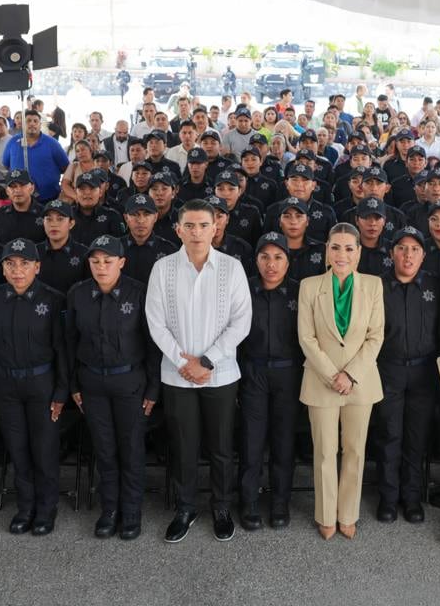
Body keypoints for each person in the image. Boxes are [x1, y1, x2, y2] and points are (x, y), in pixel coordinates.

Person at [145, 200, 253, 543]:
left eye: (203, 225)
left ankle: (221, 506)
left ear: (215, 228)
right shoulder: (162, 268)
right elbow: (155, 322)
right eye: (189, 226)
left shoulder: (231, 268)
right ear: (178, 229)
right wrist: (183, 362)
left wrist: (206, 361)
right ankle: (186, 507)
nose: (196, 232)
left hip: (219, 374)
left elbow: (242, 321)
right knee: (183, 444)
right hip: (177, 374)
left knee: (221, 446)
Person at [64, 235, 160, 539]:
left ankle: (131, 511)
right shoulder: (78, 294)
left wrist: (153, 389)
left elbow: (152, 344)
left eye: (108, 261)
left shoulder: (139, 293)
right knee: (104, 449)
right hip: (92, 382)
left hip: (130, 382)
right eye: (95, 261)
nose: (101, 267)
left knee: (130, 448)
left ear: (122, 262)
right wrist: (74, 384)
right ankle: (110, 510)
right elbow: (68, 342)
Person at [296, 223, 384, 540]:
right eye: (336, 247)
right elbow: (306, 337)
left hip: (360, 382)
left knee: (355, 450)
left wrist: (350, 374)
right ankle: (325, 514)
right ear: (327, 252)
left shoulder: (373, 286)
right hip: (322, 380)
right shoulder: (309, 286)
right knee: (324, 451)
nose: (342, 254)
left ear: (359, 252)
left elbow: (375, 337)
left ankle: (347, 513)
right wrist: (333, 374)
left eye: (349, 248)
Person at [0, 239, 69, 536]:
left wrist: (60, 392)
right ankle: (26, 506)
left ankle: (46, 508)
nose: (18, 270)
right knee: (17, 449)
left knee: (43, 449)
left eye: (24, 264)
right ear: (2, 269)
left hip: (41, 383)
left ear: (37, 267)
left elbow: (62, 350)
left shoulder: (53, 299)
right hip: (5, 384)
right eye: (10, 264)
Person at [235, 233, 304, 531]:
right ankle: (249, 502)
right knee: (251, 440)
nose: (271, 264)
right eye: (265, 257)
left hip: (288, 374)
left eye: (278, 258)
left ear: (288, 262)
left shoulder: (300, 292)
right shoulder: (244, 290)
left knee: (283, 442)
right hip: (253, 372)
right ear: (256, 260)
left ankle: (280, 502)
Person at [372, 226, 440, 525]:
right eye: (401, 248)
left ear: (423, 255)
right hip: (389, 369)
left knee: (416, 437)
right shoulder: (377, 288)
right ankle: (388, 497)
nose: (408, 255)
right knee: (389, 435)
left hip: (424, 372)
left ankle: (411, 498)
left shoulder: (434, 287)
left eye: (414, 249)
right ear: (391, 254)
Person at [0, 111, 70, 202]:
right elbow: (6, 164)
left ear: (40, 125)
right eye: (28, 121)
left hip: (48, 198)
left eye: (35, 121)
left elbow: (65, 167)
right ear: (23, 124)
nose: (32, 124)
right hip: (20, 198)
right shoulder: (13, 142)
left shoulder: (52, 143)